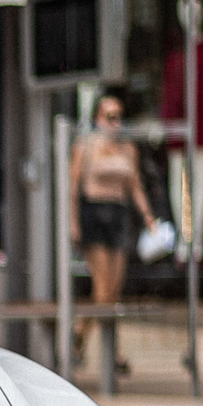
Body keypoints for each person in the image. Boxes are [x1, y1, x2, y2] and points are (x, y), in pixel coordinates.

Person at [68, 93, 157, 375]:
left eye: (119, 116)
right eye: (110, 116)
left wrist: (148, 217)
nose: (116, 122)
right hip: (94, 215)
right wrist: (73, 223)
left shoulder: (128, 147)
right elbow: (73, 187)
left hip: (118, 216)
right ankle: (111, 352)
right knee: (104, 288)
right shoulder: (86, 146)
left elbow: (135, 186)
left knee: (112, 291)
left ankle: (79, 335)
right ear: (97, 118)